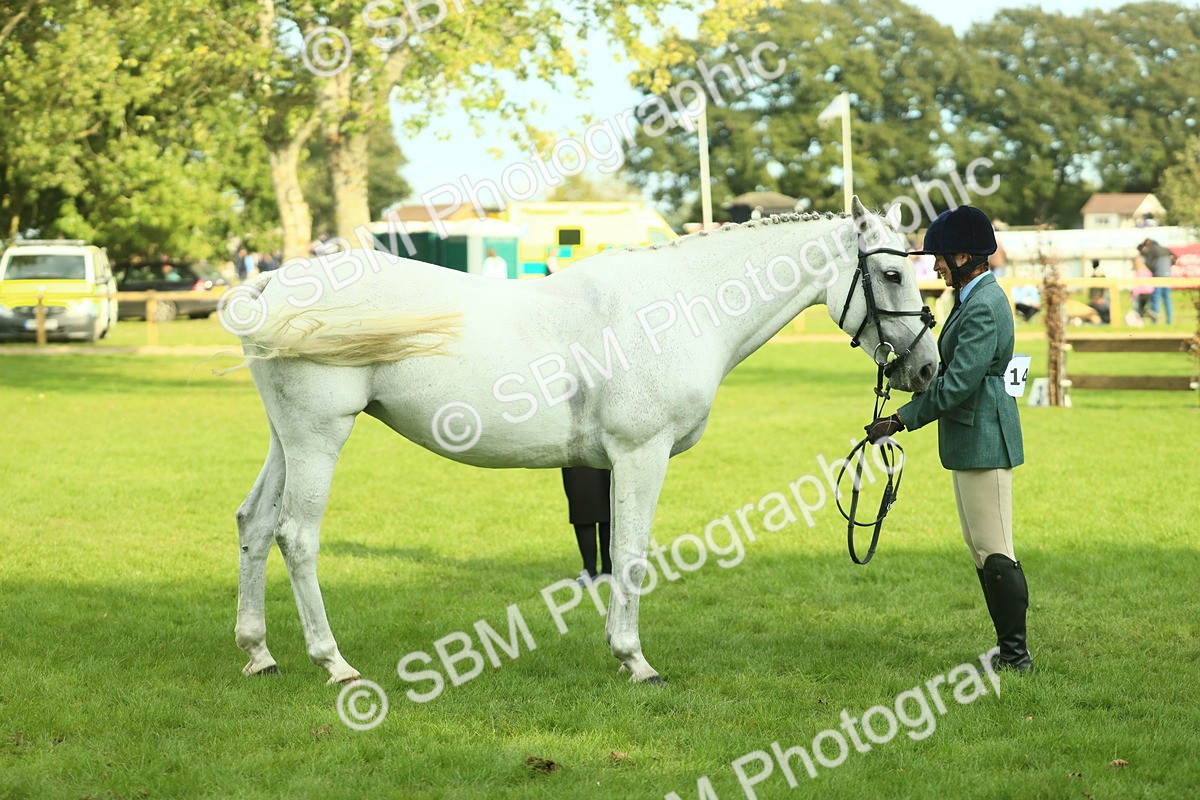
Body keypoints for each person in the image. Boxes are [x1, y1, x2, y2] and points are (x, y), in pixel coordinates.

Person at [866, 205, 1033, 675]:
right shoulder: (968, 299)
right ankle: (1007, 650)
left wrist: (900, 421)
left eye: (940, 256)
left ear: (964, 255)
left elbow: (959, 382)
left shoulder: (984, 304)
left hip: (985, 435)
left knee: (996, 550)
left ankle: (1017, 655)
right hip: (968, 435)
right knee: (981, 548)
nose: (935, 264)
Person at [560, 467, 611, 584]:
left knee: (609, 506)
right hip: (576, 453)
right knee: (581, 500)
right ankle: (589, 571)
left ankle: (609, 570)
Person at [1137, 239, 1175, 325]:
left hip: (1158, 277)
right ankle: (1169, 321)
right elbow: (1174, 259)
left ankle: (1155, 322)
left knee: (1156, 299)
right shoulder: (1165, 249)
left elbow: (1149, 264)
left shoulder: (1151, 250)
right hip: (1168, 277)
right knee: (1167, 299)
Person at [1086, 261, 1110, 325]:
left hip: (1102, 300)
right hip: (1094, 301)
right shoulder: (1092, 277)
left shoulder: (1103, 277)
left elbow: (1106, 289)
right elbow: (1091, 292)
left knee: (1105, 309)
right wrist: (1094, 299)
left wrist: (1101, 299)